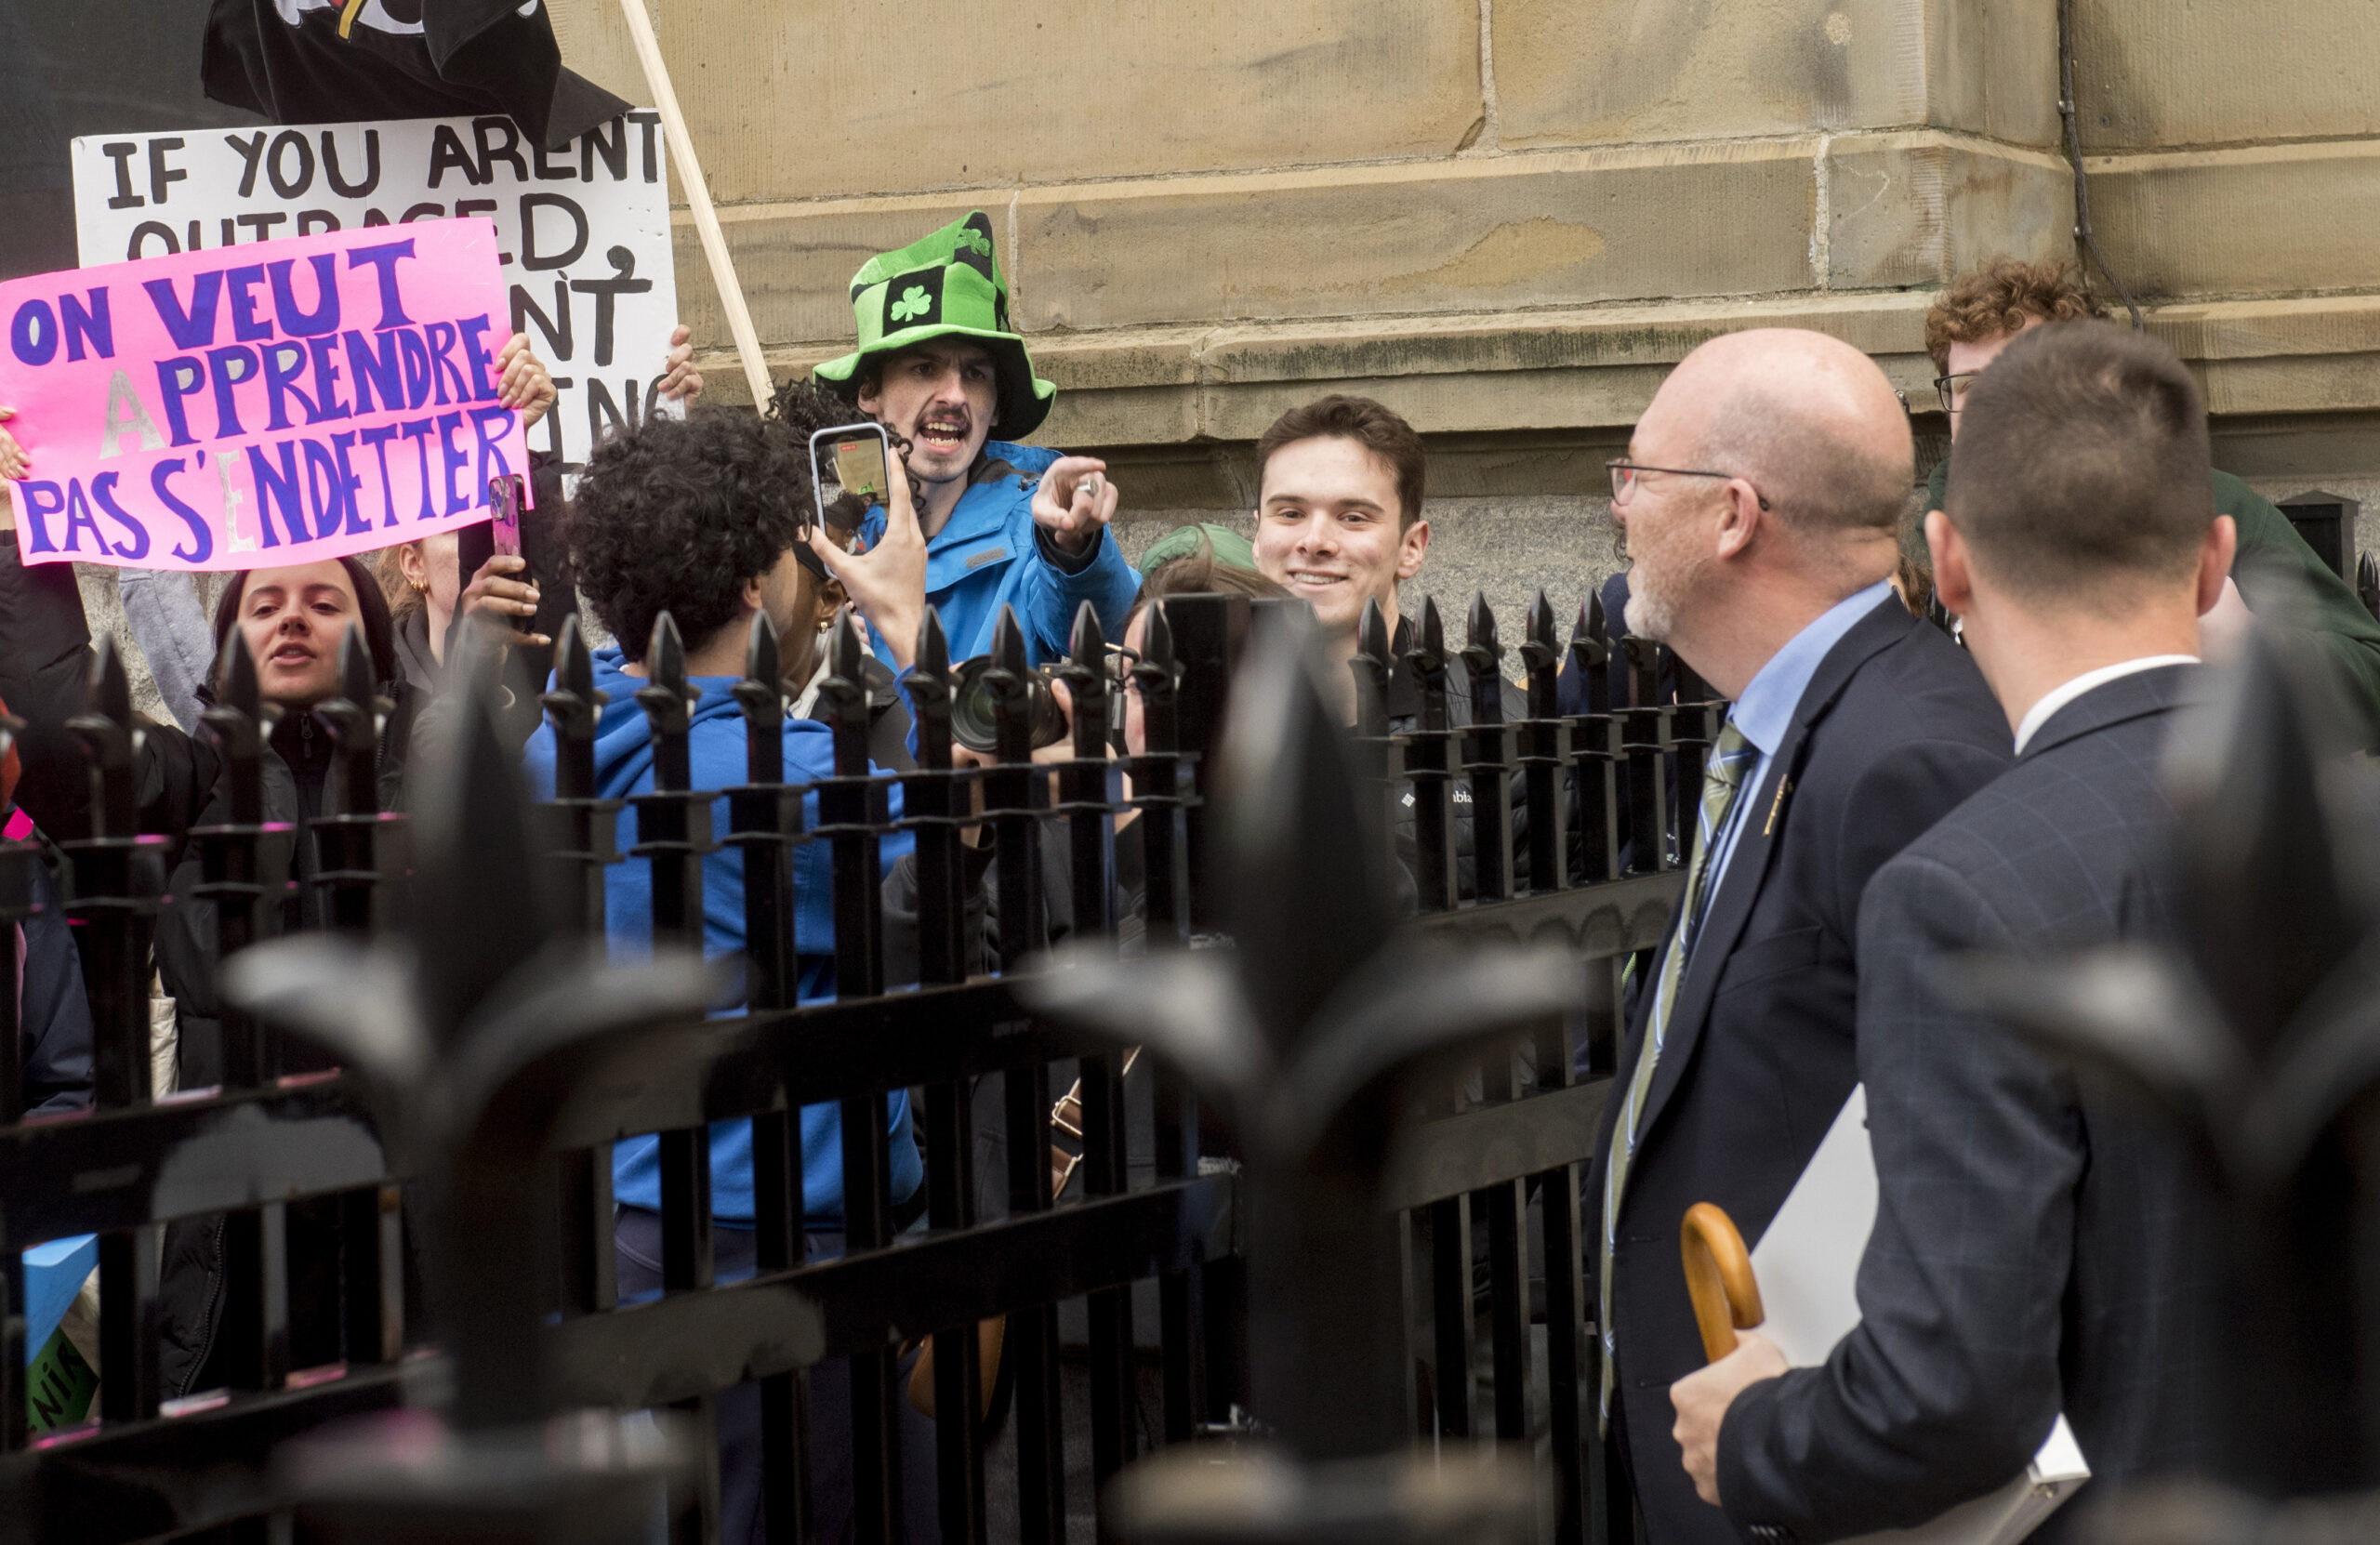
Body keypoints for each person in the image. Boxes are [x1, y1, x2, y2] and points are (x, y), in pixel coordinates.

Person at [1670, 319, 2239, 1543]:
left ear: (1948, 561)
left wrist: (1754, 1433)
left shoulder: (1962, 888)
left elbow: (1954, 1391)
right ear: (2214, 559)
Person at [1583, 328, 2012, 1545]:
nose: (1618, 507)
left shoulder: (1905, 754)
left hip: (1814, 1474)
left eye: (1636, 473)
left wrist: (1807, 1429)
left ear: (1731, 515)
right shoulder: (1794, 726)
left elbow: (1975, 1171)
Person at [520, 403, 945, 1545]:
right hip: (782, 1246)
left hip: (620, 1225)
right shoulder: (779, 772)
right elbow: (957, 861)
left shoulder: (554, 745)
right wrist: (908, 628)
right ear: (758, 580)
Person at [1924, 257, 2380, 742]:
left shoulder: (2208, 504)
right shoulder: (1928, 537)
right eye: (1971, 386)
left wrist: (2251, 648)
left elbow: (2369, 678)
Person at [813, 211, 1140, 667]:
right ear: (870, 393)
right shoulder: (819, 529)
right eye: (924, 369)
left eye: (975, 374)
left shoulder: (1035, 529)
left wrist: (1074, 547)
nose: (954, 396)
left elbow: (1112, 631)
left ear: (998, 405)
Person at [1246, 393, 1528, 897]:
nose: (1314, 541)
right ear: (1257, 535)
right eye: (1290, 513)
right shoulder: (1197, 713)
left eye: (1353, 517)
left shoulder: (1500, 726)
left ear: (1411, 546)